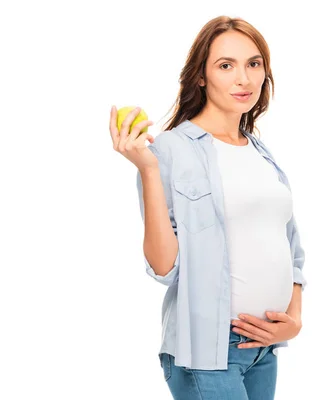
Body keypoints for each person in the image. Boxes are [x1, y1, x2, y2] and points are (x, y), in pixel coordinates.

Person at [108, 15, 307, 400]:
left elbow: (292, 248)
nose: (244, 79)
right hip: (208, 352)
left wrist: (294, 321)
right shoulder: (169, 151)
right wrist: (148, 169)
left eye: (254, 64)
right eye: (226, 65)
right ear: (201, 76)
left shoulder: (261, 154)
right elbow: (164, 267)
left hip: (262, 351)